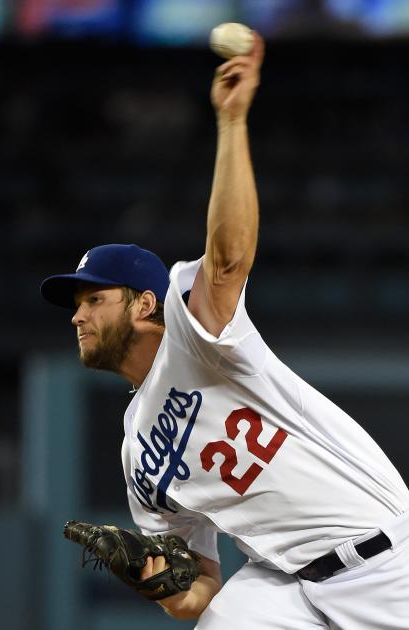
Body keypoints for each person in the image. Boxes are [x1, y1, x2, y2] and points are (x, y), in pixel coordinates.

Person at [41, 32, 409, 629]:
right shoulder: (138, 448)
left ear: (144, 305)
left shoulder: (197, 334)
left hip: (385, 563)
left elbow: (229, 258)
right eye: (75, 304)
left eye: (94, 299)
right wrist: (152, 579)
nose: (78, 316)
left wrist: (232, 121)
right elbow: (197, 593)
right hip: (282, 584)